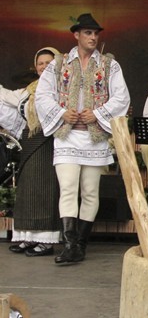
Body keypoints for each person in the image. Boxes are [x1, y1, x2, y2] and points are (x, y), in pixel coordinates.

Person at [35, 14, 131, 265]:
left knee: (90, 191)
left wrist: (97, 114)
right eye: (87, 33)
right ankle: (70, 244)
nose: (93, 37)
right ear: (76, 35)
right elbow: (43, 95)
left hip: (94, 138)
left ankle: (80, 244)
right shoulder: (59, 63)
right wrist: (61, 112)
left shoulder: (110, 65)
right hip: (67, 137)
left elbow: (121, 97)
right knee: (68, 188)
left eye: (95, 33)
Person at [2, 48, 62, 257]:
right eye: (40, 63)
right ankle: (27, 236)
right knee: (28, 188)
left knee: (45, 187)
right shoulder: (31, 89)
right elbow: (10, 98)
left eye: (49, 62)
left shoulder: (61, 87)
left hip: (48, 141)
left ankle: (46, 240)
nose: (44, 66)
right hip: (31, 139)